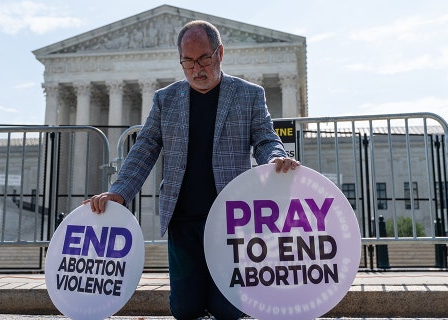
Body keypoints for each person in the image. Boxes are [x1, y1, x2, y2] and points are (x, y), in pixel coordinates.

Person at [85, 20, 300, 320]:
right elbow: (144, 149)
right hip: (183, 216)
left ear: (220, 53)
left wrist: (276, 157)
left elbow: (265, 138)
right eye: (188, 62)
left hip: (230, 218)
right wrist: (119, 192)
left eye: (204, 59)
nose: (197, 69)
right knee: (185, 310)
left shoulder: (249, 95)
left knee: (228, 310)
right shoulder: (165, 99)